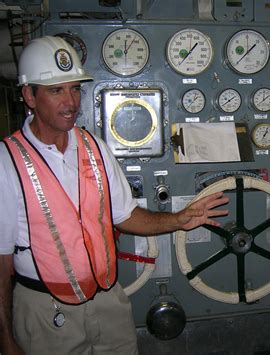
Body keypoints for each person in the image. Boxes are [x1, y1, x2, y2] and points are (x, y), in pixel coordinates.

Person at [0, 35, 229, 355]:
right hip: (45, 311)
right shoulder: (7, 161)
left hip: (108, 300)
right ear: (30, 95)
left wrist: (180, 219)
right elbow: (2, 260)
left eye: (75, 88)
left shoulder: (95, 147)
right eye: (56, 90)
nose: (70, 102)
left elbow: (126, 215)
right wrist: (5, 337)